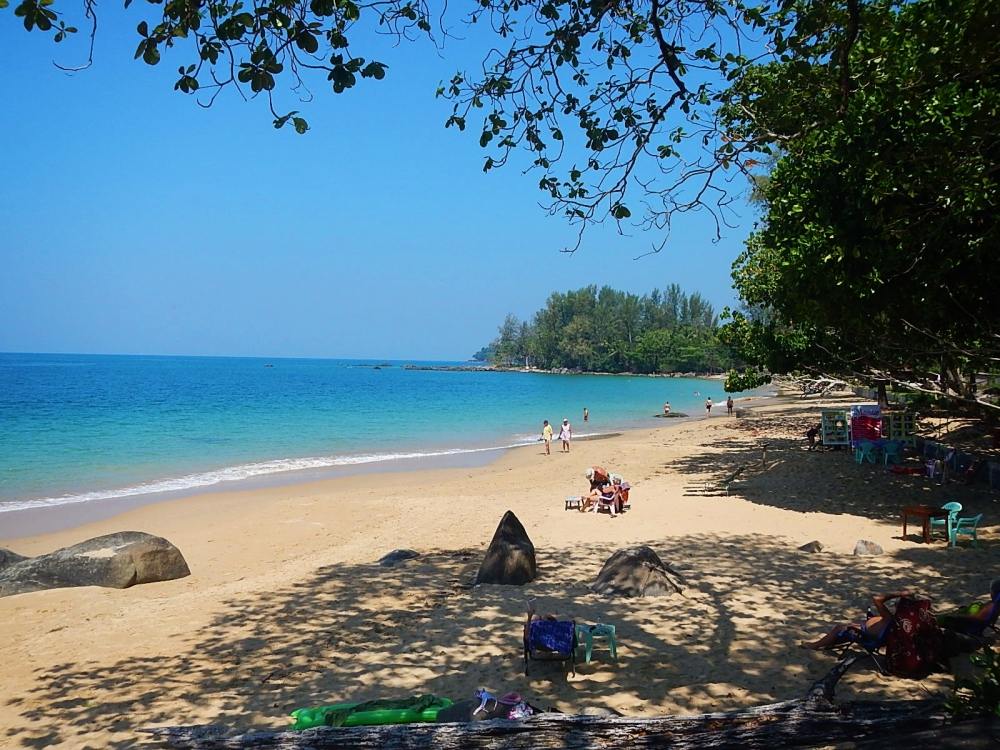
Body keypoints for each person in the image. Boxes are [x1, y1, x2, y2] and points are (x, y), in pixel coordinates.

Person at [800, 590, 912, 650]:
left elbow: (877, 599)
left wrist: (899, 593)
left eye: (897, 604)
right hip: (872, 633)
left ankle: (815, 645)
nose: (895, 605)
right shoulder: (903, 623)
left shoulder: (889, 618)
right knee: (846, 628)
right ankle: (829, 641)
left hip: (866, 634)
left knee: (839, 628)